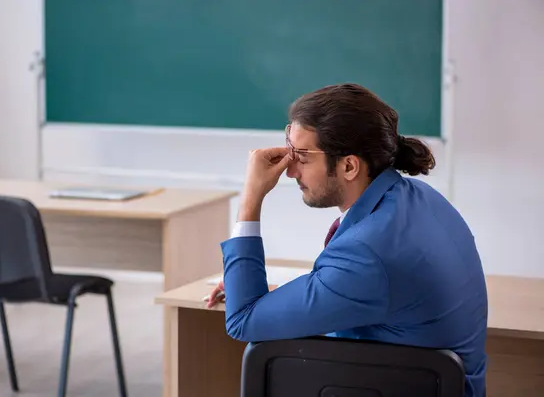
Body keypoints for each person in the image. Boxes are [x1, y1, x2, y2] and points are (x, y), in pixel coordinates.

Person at [206, 84, 488, 397]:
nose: (289, 171)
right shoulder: (420, 198)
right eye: (289, 150)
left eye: (302, 156)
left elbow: (244, 320)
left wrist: (250, 198)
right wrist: (277, 297)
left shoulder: (365, 253)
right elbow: (361, 286)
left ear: (349, 166)